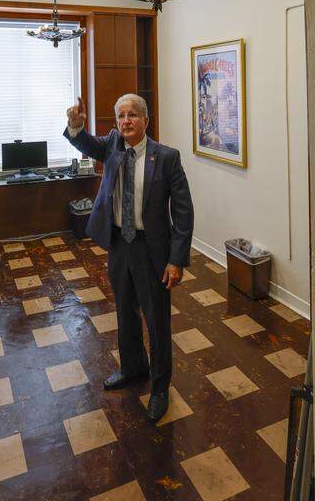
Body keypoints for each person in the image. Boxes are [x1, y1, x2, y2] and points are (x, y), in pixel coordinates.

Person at [64, 93, 194, 423]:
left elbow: (183, 212)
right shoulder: (112, 146)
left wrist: (176, 260)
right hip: (121, 245)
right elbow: (88, 145)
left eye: (133, 114)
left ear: (146, 121)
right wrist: (76, 126)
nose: (126, 121)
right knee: (125, 311)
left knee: (157, 319)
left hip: (152, 250)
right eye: (121, 115)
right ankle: (133, 368)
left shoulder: (166, 158)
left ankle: (161, 387)